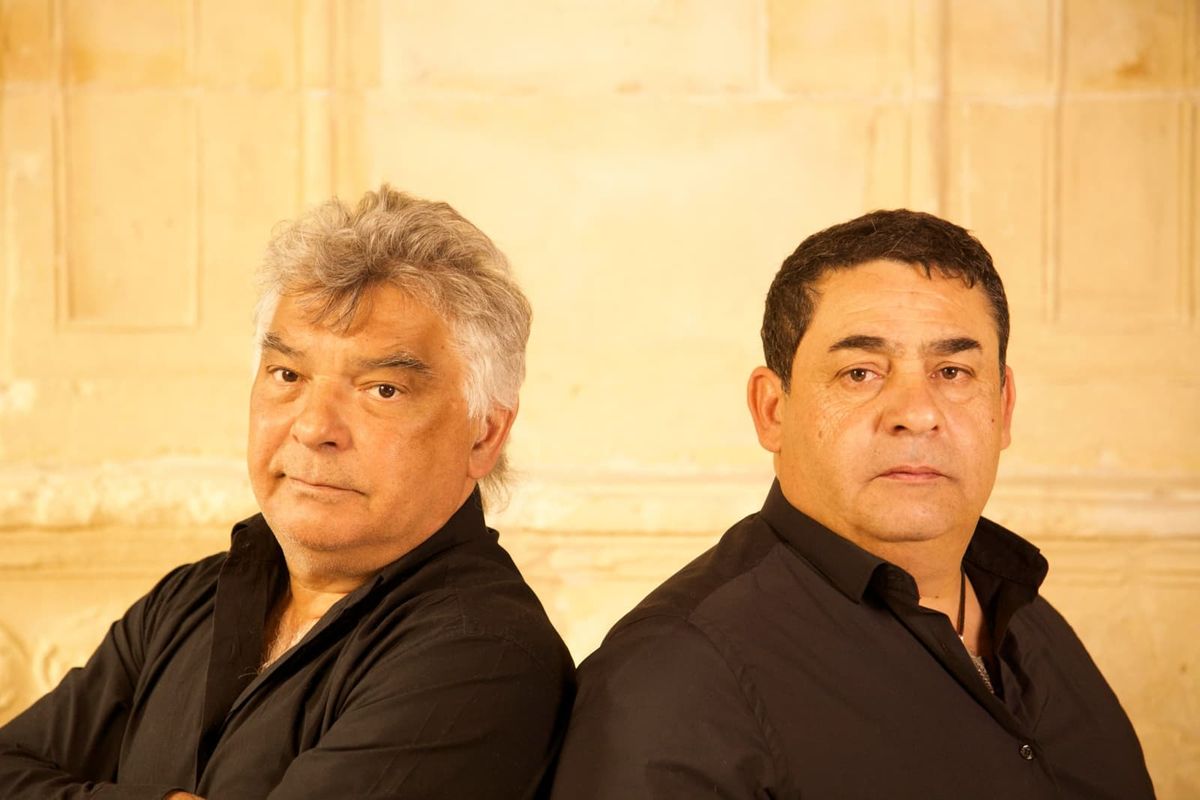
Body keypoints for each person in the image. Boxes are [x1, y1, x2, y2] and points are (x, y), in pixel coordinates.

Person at [550, 210, 1154, 799]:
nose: (916, 413)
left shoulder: (1034, 625)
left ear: (1004, 406)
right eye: (860, 373)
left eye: (952, 371)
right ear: (772, 410)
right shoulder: (677, 676)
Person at [0, 186, 575, 799]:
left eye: (382, 389)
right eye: (288, 374)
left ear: (484, 433)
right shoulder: (188, 599)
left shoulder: (481, 655)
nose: (314, 427)